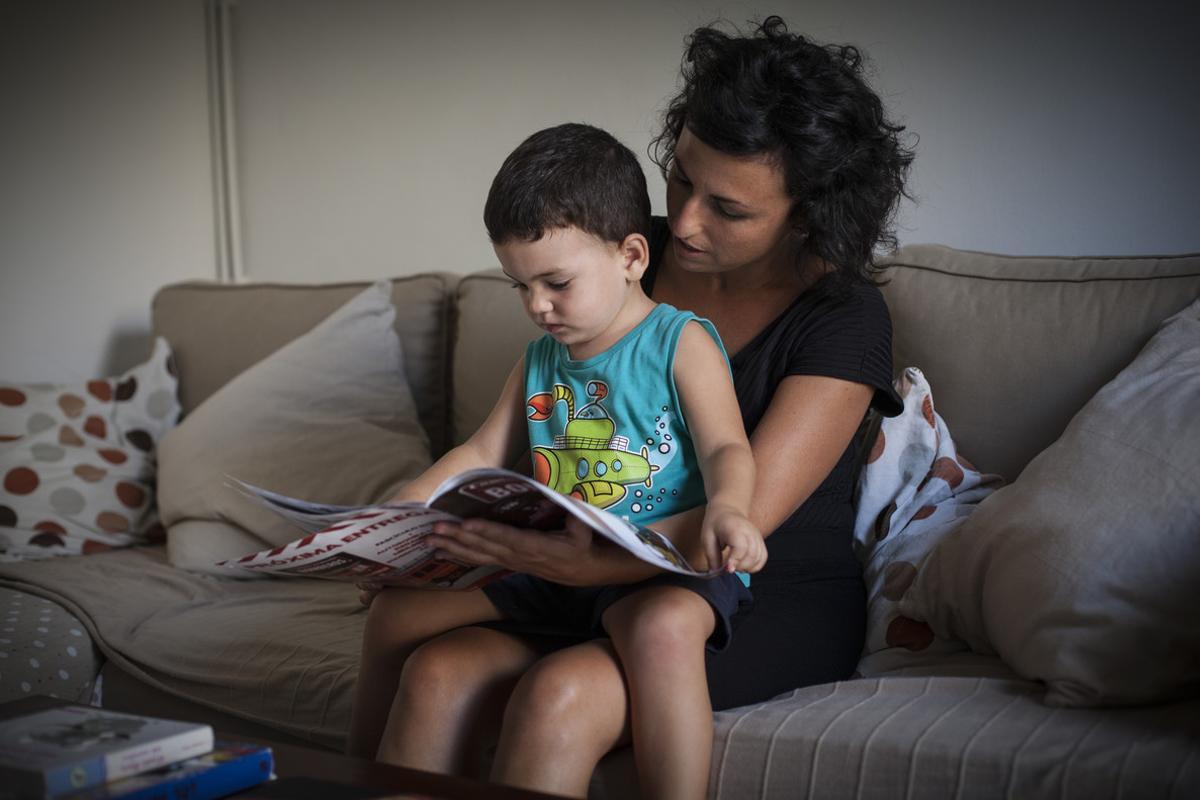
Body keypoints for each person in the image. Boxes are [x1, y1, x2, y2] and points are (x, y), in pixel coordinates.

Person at [350, 15, 912, 800]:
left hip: (749, 585)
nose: (683, 221)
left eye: (730, 209)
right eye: (681, 178)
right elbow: (508, 442)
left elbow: (740, 509)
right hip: (584, 554)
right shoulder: (613, 257)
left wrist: (579, 564)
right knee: (436, 667)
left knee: (561, 696)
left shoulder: (842, 315)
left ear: (808, 213)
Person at [348, 121, 767, 800]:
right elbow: (481, 450)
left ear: (632, 256)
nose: (538, 306)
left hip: (653, 568)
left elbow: (726, 446)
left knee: (660, 630)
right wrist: (391, 522)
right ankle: (357, 777)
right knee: (397, 612)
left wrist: (729, 509)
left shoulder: (678, 340)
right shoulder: (541, 357)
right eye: (520, 286)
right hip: (557, 564)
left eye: (556, 282)